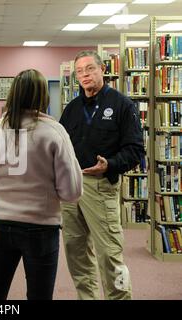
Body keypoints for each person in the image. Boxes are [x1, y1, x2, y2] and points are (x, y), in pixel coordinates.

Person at [0, 69, 83, 300]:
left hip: (1, 224)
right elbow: (72, 191)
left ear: (12, 94)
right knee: (39, 295)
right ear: (43, 97)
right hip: (41, 227)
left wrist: (8, 193)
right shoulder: (54, 132)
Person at [59, 50, 144, 300]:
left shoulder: (122, 105)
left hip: (101, 188)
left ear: (102, 70)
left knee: (110, 253)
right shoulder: (72, 108)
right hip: (71, 188)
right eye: (79, 72)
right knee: (76, 252)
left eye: (89, 69)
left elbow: (136, 150)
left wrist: (110, 165)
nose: (84, 75)